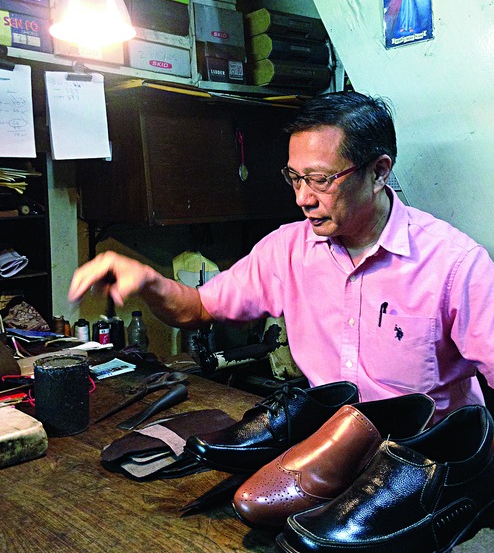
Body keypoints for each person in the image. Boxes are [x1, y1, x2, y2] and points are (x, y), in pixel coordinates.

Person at [68, 91, 494, 421]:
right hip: (332, 444)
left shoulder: (455, 265)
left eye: (320, 180)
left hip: (426, 460)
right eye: (294, 178)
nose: (303, 198)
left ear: (379, 172)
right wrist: (149, 280)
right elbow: (197, 308)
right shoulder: (287, 249)